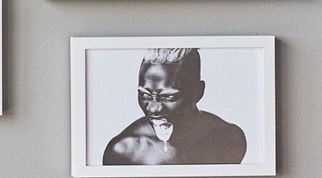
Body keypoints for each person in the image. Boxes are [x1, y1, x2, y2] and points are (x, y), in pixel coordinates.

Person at [103, 49, 246, 167]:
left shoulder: (229, 139)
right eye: (145, 95)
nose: (153, 109)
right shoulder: (124, 150)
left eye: (168, 97)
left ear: (198, 92)